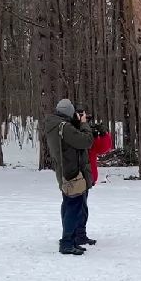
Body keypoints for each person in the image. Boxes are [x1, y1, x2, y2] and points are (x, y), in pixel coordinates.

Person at [42, 98, 95, 256]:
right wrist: (84, 124)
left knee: (69, 205)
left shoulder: (55, 124)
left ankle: (70, 240)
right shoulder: (64, 127)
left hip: (64, 170)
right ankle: (66, 242)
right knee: (74, 207)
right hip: (72, 173)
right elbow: (86, 141)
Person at [72, 105, 114, 247]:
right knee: (76, 207)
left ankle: (78, 234)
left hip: (87, 176)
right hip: (75, 174)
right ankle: (75, 235)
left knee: (81, 207)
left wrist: (103, 134)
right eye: (83, 117)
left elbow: (103, 148)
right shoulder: (71, 132)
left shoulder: (87, 133)